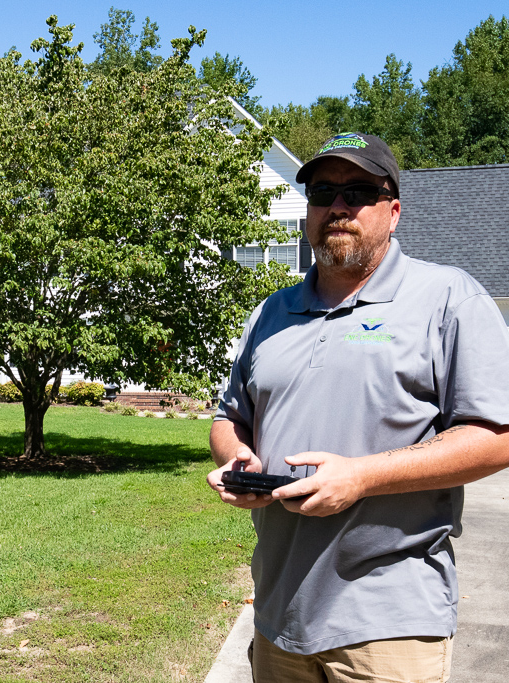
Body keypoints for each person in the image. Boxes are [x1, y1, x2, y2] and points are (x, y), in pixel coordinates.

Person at [207, 132, 509, 682]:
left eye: (359, 192)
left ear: (392, 211)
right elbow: (230, 417)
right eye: (324, 192)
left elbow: (496, 436)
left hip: (389, 621)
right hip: (280, 614)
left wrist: (362, 477)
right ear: (308, 214)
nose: (338, 206)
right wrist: (237, 457)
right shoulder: (272, 313)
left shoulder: (446, 298)